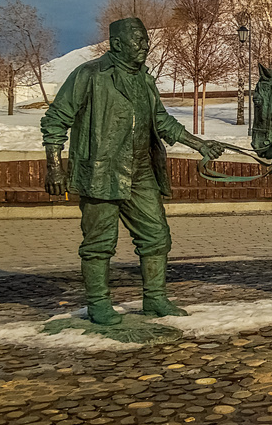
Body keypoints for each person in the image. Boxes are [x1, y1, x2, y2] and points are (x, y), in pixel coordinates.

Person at [41, 17, 227, 326]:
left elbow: (160, 120)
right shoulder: (89, 75)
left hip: (141, 171)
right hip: (101, 172)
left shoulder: (144, 79)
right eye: (138, 41)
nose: (145, 45)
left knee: (156, 236)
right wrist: (53, 167)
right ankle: (98, 303)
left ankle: (154, 299)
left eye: (145, 40)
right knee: (99, 242)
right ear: (117, 44)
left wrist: (199, 143)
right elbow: (56, 120)